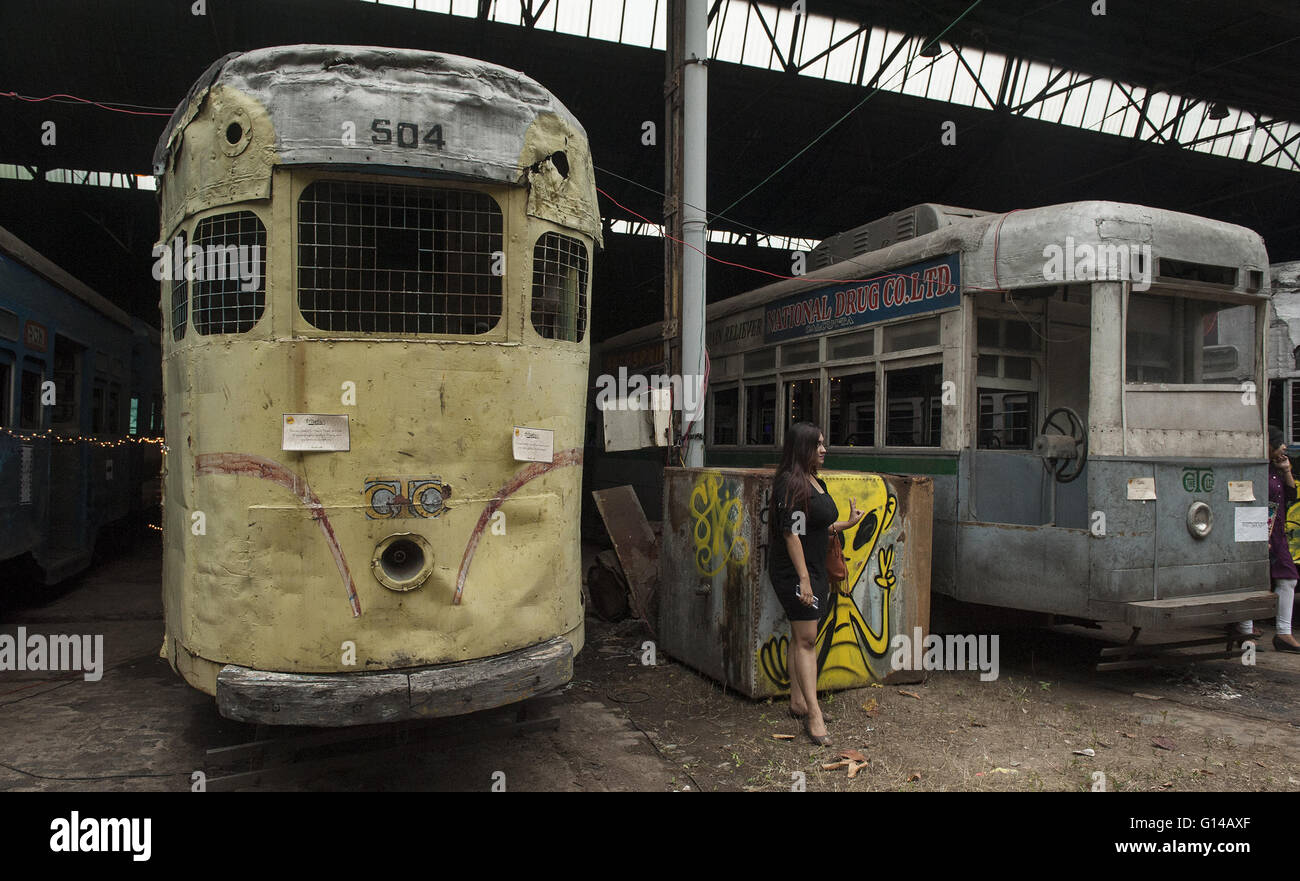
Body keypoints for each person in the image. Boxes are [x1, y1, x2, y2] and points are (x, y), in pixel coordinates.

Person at [769, 422, 865, 745]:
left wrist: (845, 523)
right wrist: (804, 579)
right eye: (818, 445)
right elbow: (791, 533)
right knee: (808, 640)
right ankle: (814, 715)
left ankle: (798, 702)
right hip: (797, 572)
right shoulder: (791, 484)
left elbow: (816, 526)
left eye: (824, 444)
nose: (824, 449)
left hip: (813, 568)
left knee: (800, 637)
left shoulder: (812, 480)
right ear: (802, 449)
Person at [1237, 426, 1300, 652]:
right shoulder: (1255, 469)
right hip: (1256, 531)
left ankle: (1283, 633)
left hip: (1276, 533)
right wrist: (1258, 535)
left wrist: (1286, 471)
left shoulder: (1275, 469)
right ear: (1269, 445)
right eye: (1279, 442)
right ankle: (1245, 633)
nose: (1284, 446)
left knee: (1288, 578)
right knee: (1253, 580)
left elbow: (1290, 496)